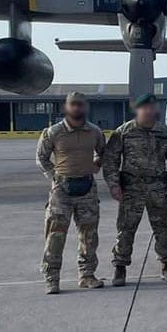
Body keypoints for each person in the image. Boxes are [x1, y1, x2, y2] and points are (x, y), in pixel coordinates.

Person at [102, 93, 167, 286]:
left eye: (151, 107)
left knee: (163, 229)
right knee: (125, 229)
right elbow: (111, 160)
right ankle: (120, 267)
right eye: (144, 107)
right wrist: (114, 184)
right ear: (137, 109)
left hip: (158, 188)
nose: (148, 111)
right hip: (131, 188)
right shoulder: (124, 132)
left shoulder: (166, 132)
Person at [35, 92, 107, 294]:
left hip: (87, 189)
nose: (77, 108)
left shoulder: (94, 132)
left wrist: (96, 164)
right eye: (73, 104)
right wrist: (55, 176)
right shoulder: (53, 132)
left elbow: (103, 151)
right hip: (62, 192)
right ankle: (52, 278)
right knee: (55, 236)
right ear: (66, 107)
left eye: (80, 104)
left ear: (86, 107)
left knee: (89, 236)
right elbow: (41, 157)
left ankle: (87, 275)